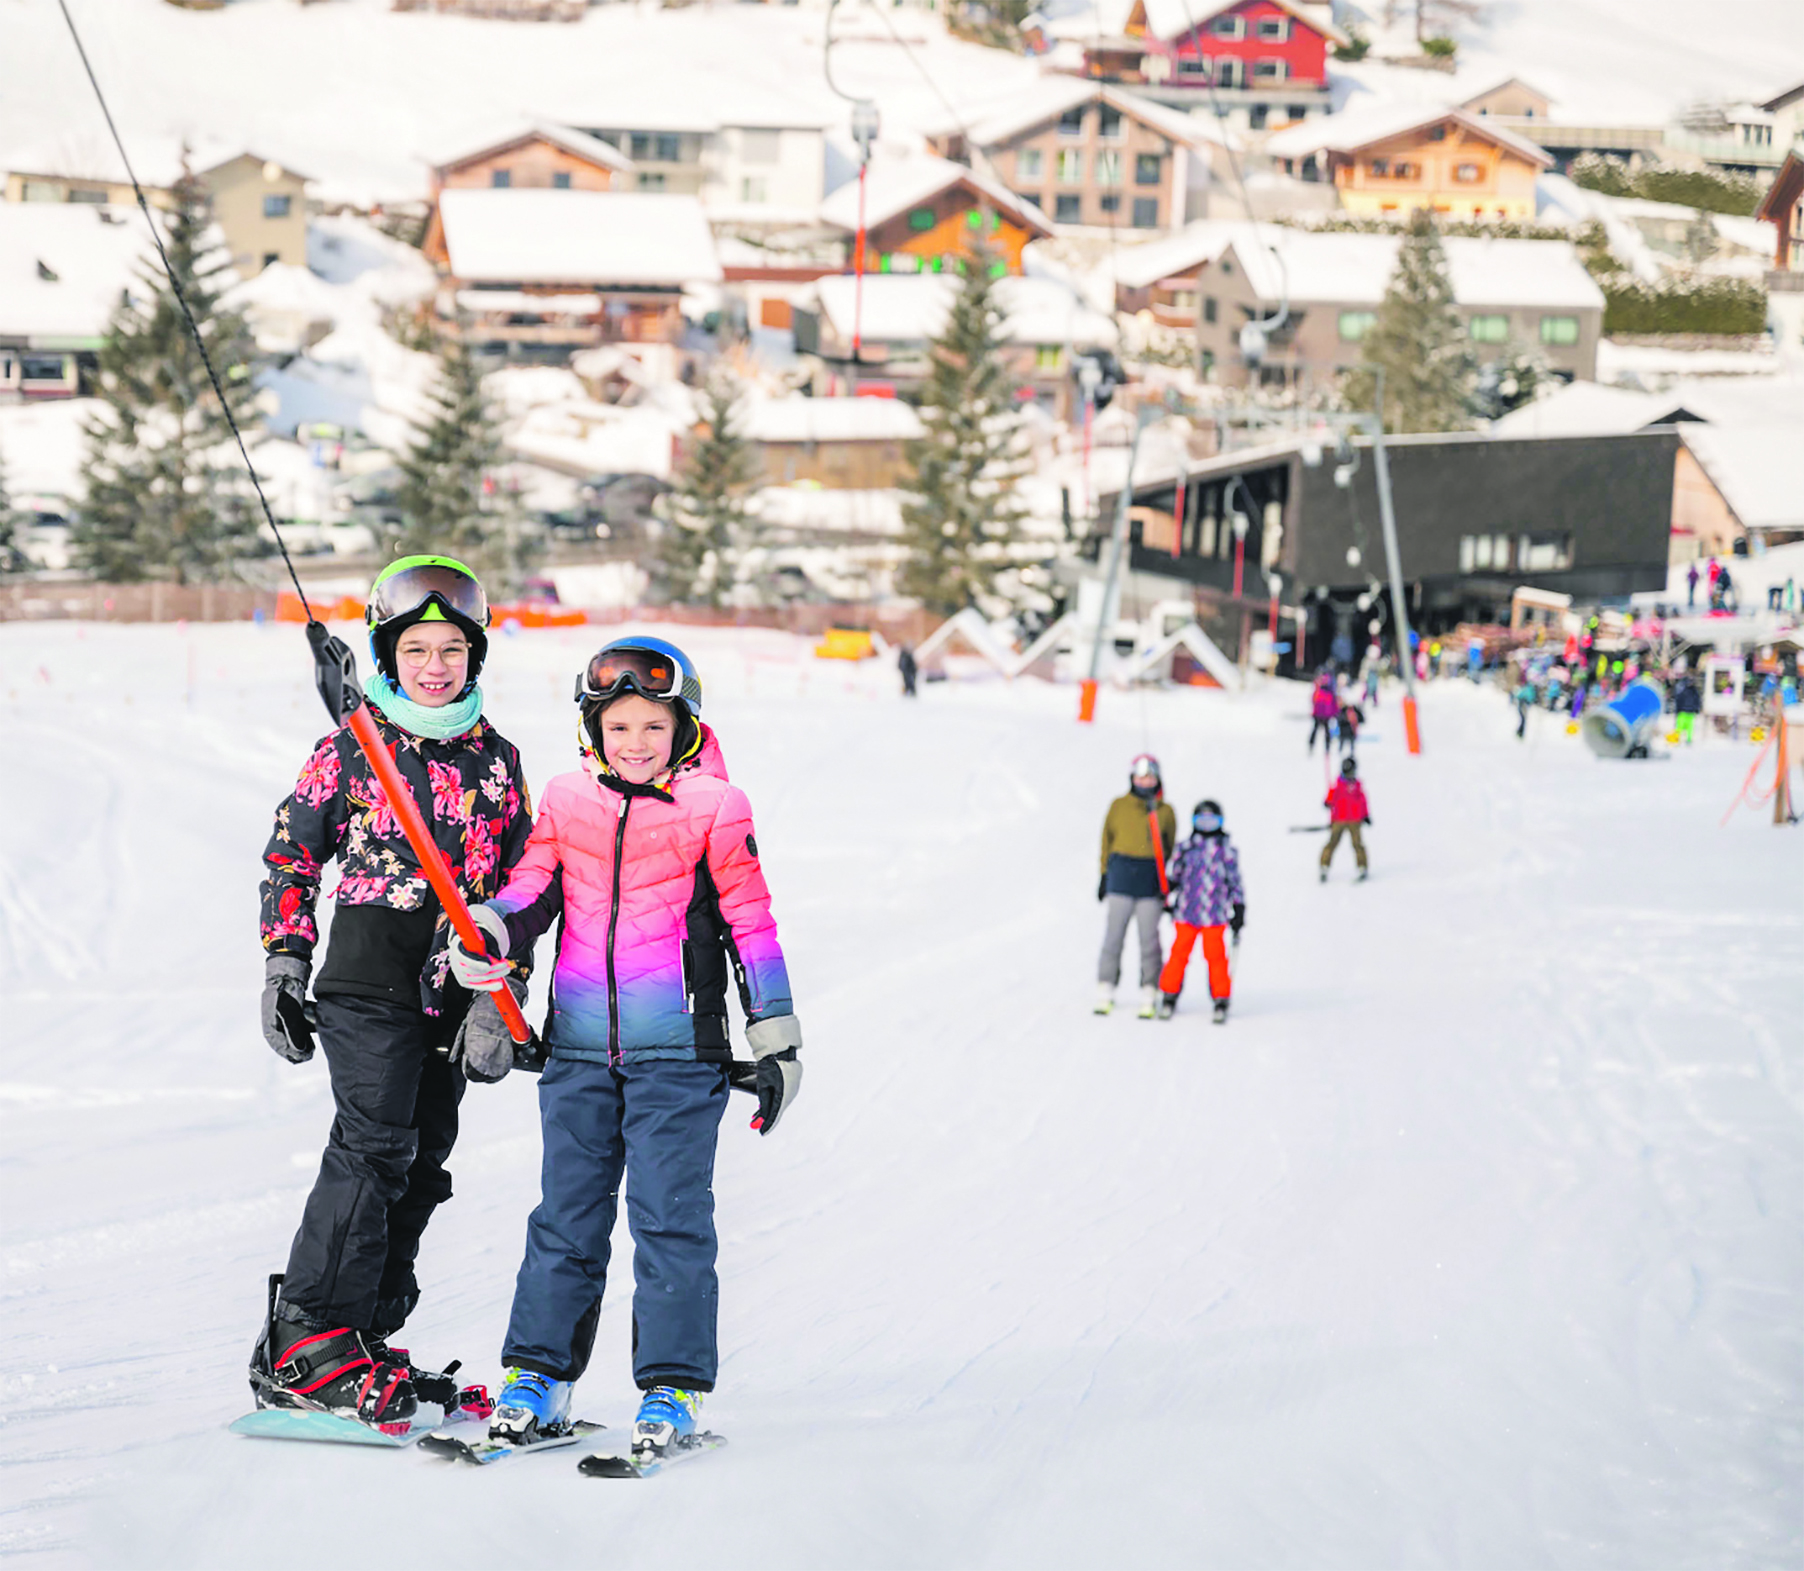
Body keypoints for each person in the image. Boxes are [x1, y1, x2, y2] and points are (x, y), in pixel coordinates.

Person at [448, 637, 800, 1455]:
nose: (635, 742)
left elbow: (752, 924)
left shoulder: (717, 806)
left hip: (679, 1058)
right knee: (564, 1220)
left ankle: (672, 1388)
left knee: (669, 1221)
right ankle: (539, 1378)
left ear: (683, 728)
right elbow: (530, 887)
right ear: (591, 730)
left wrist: (776, 1037)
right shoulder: (568, 801)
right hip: (575, 1052)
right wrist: (493, 929)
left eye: (652, 724)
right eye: (618, 725)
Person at [252, 556, 535, 1425]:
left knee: (422, 1158)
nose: (436, 665)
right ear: (388, 651)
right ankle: (306, 1337)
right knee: (374, 1144)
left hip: (452, 985)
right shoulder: (354, 743)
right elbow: (292, 852)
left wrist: (500, 991)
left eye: (453, 648)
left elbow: (528, 888)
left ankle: (363, 1333)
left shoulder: (498, 761)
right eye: (418, 648)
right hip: (368, 974)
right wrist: (285, 959)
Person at [1095, 754, 1177, 1019]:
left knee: (1149, 941)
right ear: (1132, 778)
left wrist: (1163, 880)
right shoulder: (1118, 806)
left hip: (1148, 883)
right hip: (1120, 879)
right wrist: (1104, 874)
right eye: (1141, 777)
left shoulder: (1164, 811)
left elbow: (1169, 846)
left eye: (1150, 777)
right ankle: (1106, 986)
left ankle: (1149, 989)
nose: (1145, 781)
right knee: (1113, 937)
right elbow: (1107, 839)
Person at [1156, 800, 1245, 1025]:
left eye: (1212, 821)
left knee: (1216, 957)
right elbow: (1175, 874)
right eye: (1201, 821)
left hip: (1214, 915)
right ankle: (1169, 994)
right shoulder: (1186, 847)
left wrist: (1239, 906)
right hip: (1187, 911)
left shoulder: (1226, 850)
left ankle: (1220, 997)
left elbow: (1235, 881)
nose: (1206, 826)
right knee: (1179, 954)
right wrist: (1167, 892)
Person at [1320, 756, 1371, 883]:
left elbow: (1362, 801)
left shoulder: (1357, 786)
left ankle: (1362, 867)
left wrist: (1365, 815)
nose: (1350, 775)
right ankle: (1324, 866)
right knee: (1332, 843)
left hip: (1355, 820)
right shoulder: (1338, 785)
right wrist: (1328, 802)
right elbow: (1330, 797)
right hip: (1339, 820)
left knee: (1357, 844)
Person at [1307, 672, 1337, 753]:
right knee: (1316, 730)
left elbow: (1333, 704)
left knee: (1326, 731)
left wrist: (1335, 713)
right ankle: (1311, 746)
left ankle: (1327, 747)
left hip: (1326, 715)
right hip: (1319, 715)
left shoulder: (1329, 692)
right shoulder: (1319, 691)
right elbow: (1314, 702)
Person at [1673, 673, 1702, 744]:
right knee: (1688, 727)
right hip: (1688, 712)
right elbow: (1697, 701)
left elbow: (1678, 700)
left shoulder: (1683, 691)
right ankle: (1685, 739)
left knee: (1681, 727)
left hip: (1684, 712)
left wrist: (1677, 710)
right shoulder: (1694, 692)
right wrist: (1697, 709)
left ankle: (1679, 739)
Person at [1515, 674, 1536, 739]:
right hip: (1524, 703)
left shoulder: (1525, 688)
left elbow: (1519, 695)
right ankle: (1520, 732)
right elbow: (1531, 697)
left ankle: (1520, 732)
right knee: (1523, 719)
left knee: (1523, 719)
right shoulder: (1529, 688)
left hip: (1523, 703)